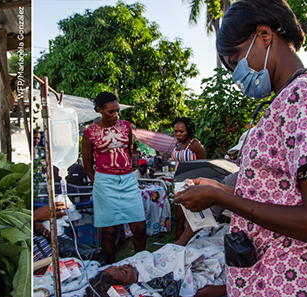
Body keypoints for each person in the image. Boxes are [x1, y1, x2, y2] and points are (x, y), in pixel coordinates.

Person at [175, 0, 307, 295]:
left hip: (301, 280)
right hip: (272, 277)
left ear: (264, 35)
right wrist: (221, 190)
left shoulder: (306, 98)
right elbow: (283, 196)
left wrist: (225, 199)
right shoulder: (283, 102)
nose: (236, 76)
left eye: (236, 61)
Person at [81, 92, 146, 264]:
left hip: (128, 180)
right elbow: (88, 166)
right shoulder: (89, 133)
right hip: (104, 182)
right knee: (109, 233)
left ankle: (140, 266)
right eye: (111, 112)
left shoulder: (126, 126)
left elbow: (130, 150)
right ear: (99, 110)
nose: (116, 115)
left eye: (117, 111)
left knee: (139, 228)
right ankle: (110, 270)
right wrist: (100, 184)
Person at [86, 227, 229, 297]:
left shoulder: (138, 262)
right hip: (201, 264)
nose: (126, 264)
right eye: (124, 271)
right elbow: (194, 291)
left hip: (189, 250)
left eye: (119, 265)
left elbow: (170, 250)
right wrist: (231, 289)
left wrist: (193, 227)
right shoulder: (155, 283)